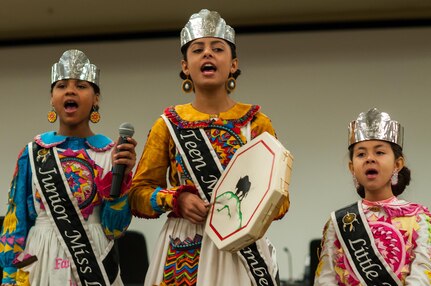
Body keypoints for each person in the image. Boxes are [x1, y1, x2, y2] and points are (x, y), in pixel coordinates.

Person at [129, 8, 290, 286]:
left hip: (242, 247)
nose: (207, 54)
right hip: (184, 246)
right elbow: (138, 194)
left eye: (218, 48)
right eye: (197, 49)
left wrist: (242, 208)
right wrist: (176, 200)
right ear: (185, 66)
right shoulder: (168, 124)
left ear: (233, 64)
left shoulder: (256, 123)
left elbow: (281, 199)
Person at [0, 49, 137, 286]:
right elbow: (16, 219)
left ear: (96, 98)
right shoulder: (33, 153)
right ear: (52, 98)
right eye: (61, 85)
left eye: (82, 86)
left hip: (95, 257)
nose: (70, 90)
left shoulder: (111, 154)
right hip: (41, 258)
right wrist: (9, 276)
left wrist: (122, 177)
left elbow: (115, 229)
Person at [314, 108, 431, 285]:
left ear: (397, 164)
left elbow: (423, 277)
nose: (369, 158)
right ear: (352, 167)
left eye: (379, 152)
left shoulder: (419, 218)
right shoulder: (338, 222)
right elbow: (325, 279)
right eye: (361, 154)